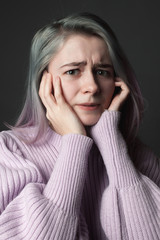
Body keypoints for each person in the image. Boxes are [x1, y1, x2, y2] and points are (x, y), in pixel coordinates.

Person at [0, 12, 159, 240]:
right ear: (43, 82)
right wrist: (74, 141)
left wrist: (112, 144)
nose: (92, 86)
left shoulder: (139, 157)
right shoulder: (9, 151)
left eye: (102, 71)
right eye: (73, 71)